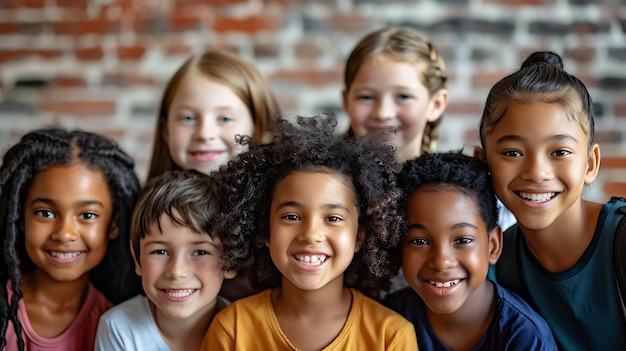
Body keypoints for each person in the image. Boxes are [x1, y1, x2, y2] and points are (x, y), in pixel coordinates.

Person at [201, 115, 418, 350]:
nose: (311, 234)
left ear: (360, 236)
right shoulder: (232, 328)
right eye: (292, 217)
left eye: (333, 218)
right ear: (265, 230)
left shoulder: (390, 336)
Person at [477, 50, 626, 349]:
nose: (536, 172)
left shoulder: (620, 243)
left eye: (559, 152)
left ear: (590, 164)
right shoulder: (497, 263)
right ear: (483, 165)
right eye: (512, 153)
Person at [384, 151, 557, 350]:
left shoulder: (526, 339)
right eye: (420, 241)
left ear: (493, 246)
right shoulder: (387, 322)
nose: (441, 261)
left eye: (462, 240)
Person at [147, 48, 281, 301]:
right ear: (166, 131)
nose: (205, 133)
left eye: (225, 118)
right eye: (187, 117)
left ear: (258, 125)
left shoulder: (277, 215)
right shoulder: (147, 213)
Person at [0, 128, 141, 351]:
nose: (65, 234)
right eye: (45, 213)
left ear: (113, 225)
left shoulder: (121, 327)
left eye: (87, 215)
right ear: (20, 218)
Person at [95, 170, 246, 351]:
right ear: (137, 258)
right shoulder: (119, 328)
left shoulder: (244, 329)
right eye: (160, 251)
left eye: (200, 252)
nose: (176, 271)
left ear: (231, 261)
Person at [342, 26, 448, 163]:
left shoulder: (451, 183)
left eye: (403, 96)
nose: (382, 113)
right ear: (346, 102)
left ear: (435, 105)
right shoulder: (321, 182)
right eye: (366, 97)